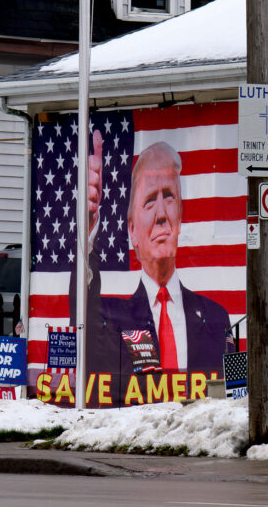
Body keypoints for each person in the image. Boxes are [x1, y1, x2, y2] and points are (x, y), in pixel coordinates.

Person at [87, 137, 233, 376]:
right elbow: (83, 311)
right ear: (132, 230)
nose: (162, 214)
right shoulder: (113, 316)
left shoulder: (217, 317)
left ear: (180, 216)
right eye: (150, 200)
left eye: (169, 197)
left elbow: (232, 390)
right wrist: (87, 231)